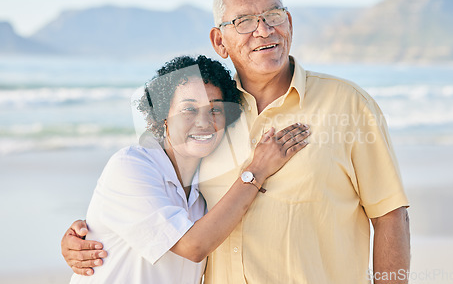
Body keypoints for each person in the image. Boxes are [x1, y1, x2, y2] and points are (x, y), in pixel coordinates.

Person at [62, 0, 411, 283]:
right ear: (220, 41)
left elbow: (390, 215)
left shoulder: (348, 104)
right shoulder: (212, 116)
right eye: (243, 21)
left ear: (288, 22)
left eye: (273, 15)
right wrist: (94, 233)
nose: (263, 30)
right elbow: (159, 194)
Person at [67, 55, 310, 283]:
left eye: (215, 109)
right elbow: (193, 246)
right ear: (162, 115)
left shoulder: (204, 191)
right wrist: (257, 170)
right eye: (189, 110)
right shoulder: (131, 166)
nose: (204, 122)